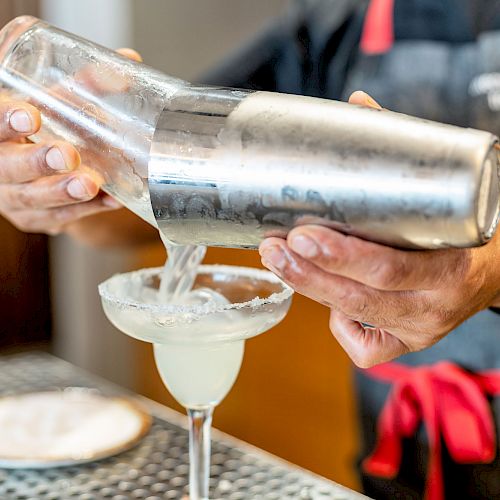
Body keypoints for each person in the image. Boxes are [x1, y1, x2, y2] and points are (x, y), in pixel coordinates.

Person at [1, 0, 500, 497]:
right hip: (397, 466)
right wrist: (65, 178)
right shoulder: (338, 24)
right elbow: (161, 194)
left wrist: (490, 268)